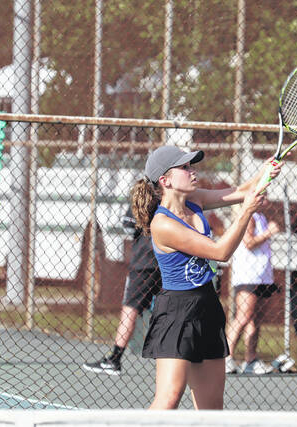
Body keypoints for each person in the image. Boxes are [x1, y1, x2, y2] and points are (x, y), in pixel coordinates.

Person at [131, 145, 282, 410]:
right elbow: (220, 252)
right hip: (177, 314)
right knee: (169, 399)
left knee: (212, 409)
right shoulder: (162, 224)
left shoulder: (196, 199)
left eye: (191, 165)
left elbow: (239, 192)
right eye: (185, 167)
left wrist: (265, 171)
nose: (192, 171)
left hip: (207, 309)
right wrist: (247, 211)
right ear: (165, 181)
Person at [82, 204, 162, 376]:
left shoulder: (146, 195)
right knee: (165, 311)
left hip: (144, 263)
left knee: (130, 310)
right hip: (162, 261)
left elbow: (129, 224)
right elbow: (129, 223)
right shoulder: (176, 197)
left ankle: (114, 359)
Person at [225, 210, 280, 375]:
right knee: (243, 317)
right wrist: (268, 232)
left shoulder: (261, 216)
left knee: (254, 319)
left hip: (261, 276)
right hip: (248, 276)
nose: (265, 197)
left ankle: (250, 359)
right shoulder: (248, 216)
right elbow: (248, 242)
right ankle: (226, 358)